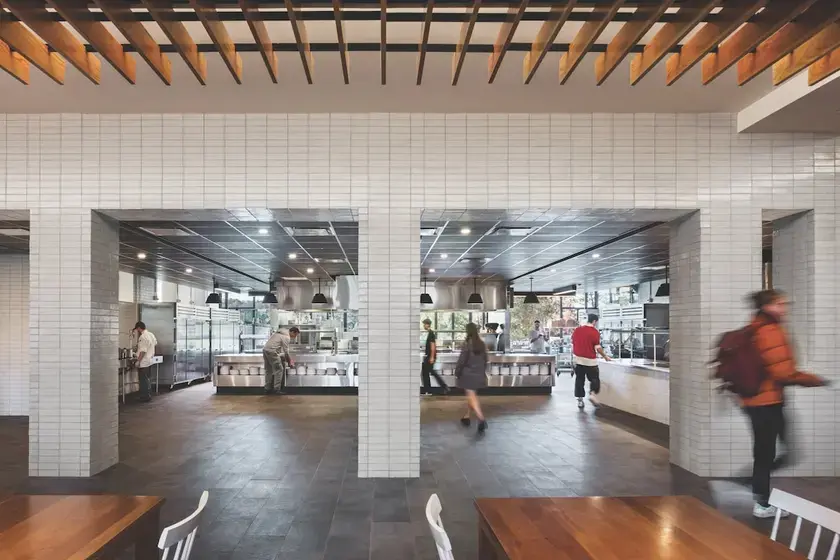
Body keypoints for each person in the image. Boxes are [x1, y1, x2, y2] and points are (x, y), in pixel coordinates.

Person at [743, 289, 826, 518]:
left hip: (757, 400)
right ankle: (761, 502)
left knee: (770, 452)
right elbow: (783, 372)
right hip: (766, 401)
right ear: (767, 306)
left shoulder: (754, 327)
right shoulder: (770, 331)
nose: (784, 308)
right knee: (767, 453)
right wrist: (815, 380)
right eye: (780, 304)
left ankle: (753, 485)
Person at [571, 314, 611, 409]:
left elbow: (573, 343)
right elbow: (598, 348)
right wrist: (605, 356)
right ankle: (592, 394)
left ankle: (580, 401)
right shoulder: (595, 332)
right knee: (594, 379)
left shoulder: (577, 330)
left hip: (578, 360)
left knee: (579, 380)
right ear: (594, 321)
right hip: (590, 361)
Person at [456, 323, 488, 433]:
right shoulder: (481, 344)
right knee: (472, 395)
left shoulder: (467, 344)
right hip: (479, 374)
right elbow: (485, 360)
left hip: (468, 375)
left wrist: (457, 372)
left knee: (471, 396)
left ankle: (481, 419)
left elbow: (462, 361)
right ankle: (467, 416)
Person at [263, 327, 296, 394]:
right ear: (292, 332)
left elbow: (278, 347)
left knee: (268, 370)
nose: (295, 337)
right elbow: (286, 352)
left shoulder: (279, 333)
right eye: (295, 335)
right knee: (279, 370)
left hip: (265, 350)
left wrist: (284, 358)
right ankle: (276, 389)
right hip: (272, 352)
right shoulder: (286, 337)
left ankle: (267, 388)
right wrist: (290, 362)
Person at [422, 318, 449, 395]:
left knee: (428, 373)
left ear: (427, 324)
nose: (423, 326)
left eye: (424, 324)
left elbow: (433, 346)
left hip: (429, 356)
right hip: (429, 356)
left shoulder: (431, 334)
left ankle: (431, 389)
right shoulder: (430, 333)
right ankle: (430, 390)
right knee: (429, 372)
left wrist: (431, 357)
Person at [133, 321, 157, 403]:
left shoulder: (143, 337)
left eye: (137, 329)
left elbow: (143, 351)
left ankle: (145, 396)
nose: (137, 331)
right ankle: (148, 395)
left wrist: (138, 361)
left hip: (144, 361)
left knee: (143, 380)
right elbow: (154, 343)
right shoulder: (151, 334)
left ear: (139, 328)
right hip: (150, 360)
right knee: (147, 379)